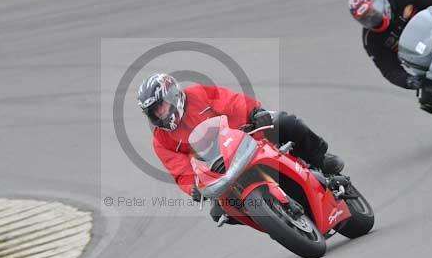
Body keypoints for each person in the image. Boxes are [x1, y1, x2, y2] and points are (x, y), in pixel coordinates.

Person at [136, 73, 343, 223]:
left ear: (172, 96)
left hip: (247, 133)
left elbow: (231, 101)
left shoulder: (198, 94)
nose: (159, 114)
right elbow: (180, 171)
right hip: (219, 170)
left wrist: (254, 112)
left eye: (160, 106)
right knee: (220, 212)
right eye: (153, 112)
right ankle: (273, 221)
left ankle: (321, 159)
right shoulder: (161, 139)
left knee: (286, 122)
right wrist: (193, 188)